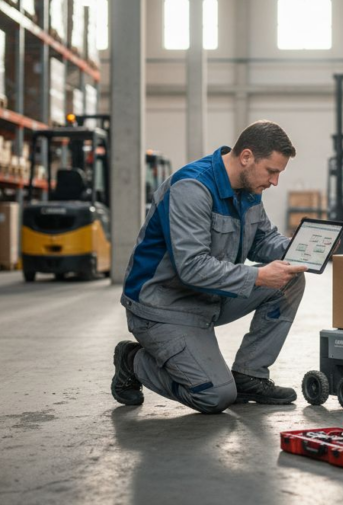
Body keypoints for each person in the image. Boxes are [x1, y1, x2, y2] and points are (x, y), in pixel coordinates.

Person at [112, 121, 308, 414]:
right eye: (272, 171)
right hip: (164, 306)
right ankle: (132, 360)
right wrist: (257, 276)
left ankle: (250, 374)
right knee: (214, 396)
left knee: (290, 281)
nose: (275, 181)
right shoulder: (192, 187)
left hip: (207, 297)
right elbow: (192, 267)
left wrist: (303, 247)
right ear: (246, 157)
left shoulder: (249, 188)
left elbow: (262, 239)